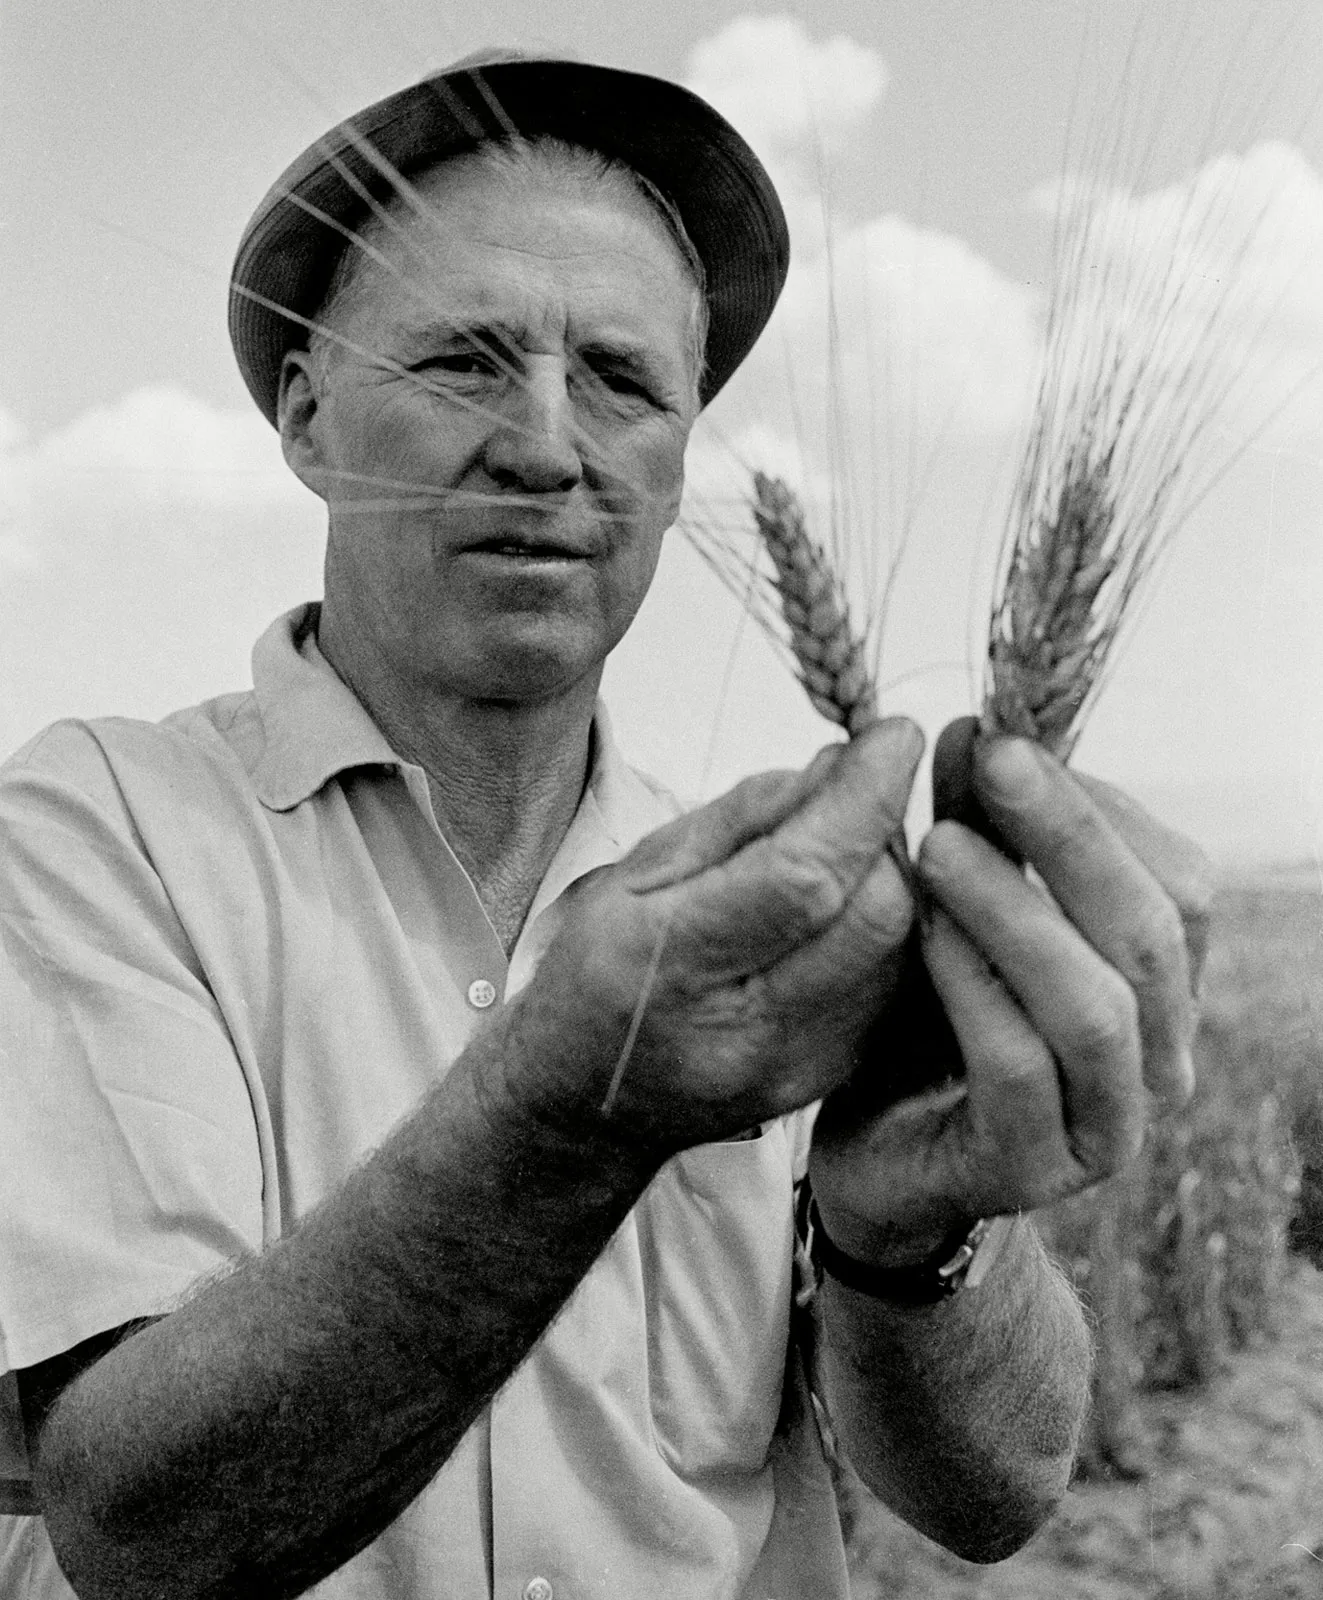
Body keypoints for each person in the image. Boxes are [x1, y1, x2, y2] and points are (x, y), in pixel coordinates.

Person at [0, 50, 1209, 1600]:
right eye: (462, 360)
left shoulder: (782, 916)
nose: (549, 445)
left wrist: (910, 1229)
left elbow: (994, 1497)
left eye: (625, 381)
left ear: (684, 447)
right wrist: (586, 1110)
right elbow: (139, 1530)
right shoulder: (93, 835)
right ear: (304, 418)